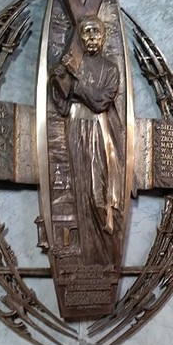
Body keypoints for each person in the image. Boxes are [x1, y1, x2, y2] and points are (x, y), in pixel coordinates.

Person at [49, 15, 124, 265]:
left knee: (97, 191)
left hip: (98, 133)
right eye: (86, 32)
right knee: (79, 188)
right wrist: (57, 81)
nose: (92, 37)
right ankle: (86, 253)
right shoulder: (73, 65)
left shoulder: (110, 69)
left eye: (96, 32)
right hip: (75, 129)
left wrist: (76, 76)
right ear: (80, 38)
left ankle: (105, 251)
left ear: (103, 36)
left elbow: (99, 102)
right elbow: (62, 106)